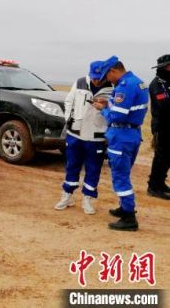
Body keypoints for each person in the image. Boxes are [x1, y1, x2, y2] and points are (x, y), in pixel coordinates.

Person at [92, 56, 149, 231]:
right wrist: (108, 103)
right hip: (131, 134)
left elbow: (117, 116)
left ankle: (129, 218)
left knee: (120, 176)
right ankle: (124, 208)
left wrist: (103, 109)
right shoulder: (137, 82)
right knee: (123, 173)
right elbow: (126, 108)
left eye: (107, 76)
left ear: (114, 71)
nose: (107, 80)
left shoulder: (125, 86)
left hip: (121, 136)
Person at [55, 61, 113, 214]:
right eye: (94, 77)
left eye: (99, 77)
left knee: (93, 169)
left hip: (97, 136)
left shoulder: (113, 88)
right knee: (72, 165)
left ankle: (87, 199)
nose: (96, 80)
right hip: (76, 133)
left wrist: (106, 106)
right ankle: (67, 195)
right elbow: (69, 101)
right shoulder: (80, 82)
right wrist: (69, 119)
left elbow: (115, 110)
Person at [147, 54, 170, 200]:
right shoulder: (157, 84)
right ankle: (153, 186)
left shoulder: (168, 81)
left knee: (168, 157)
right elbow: (165, 105)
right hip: (162, 126)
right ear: (165, 67)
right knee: (161, 156)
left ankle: (160, 183)